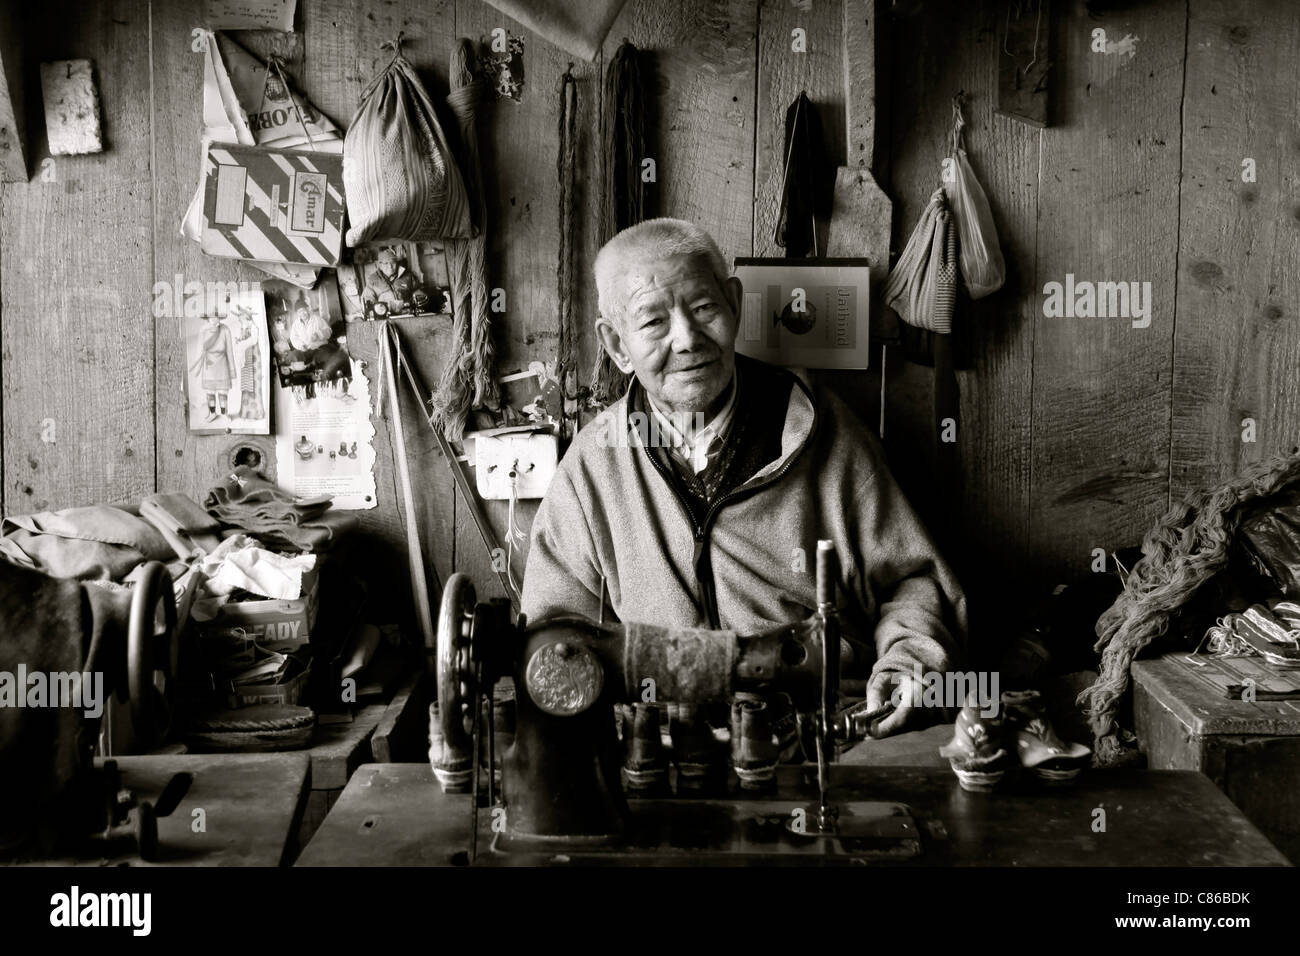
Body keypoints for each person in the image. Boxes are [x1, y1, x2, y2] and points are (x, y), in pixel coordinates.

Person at [522, 218, 967, 748]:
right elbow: (557, 637)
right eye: (653, 322)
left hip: (825, 737)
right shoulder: (593, 469)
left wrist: (909, 661)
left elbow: (912, 580)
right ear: (617, 345)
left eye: (704, 308)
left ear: (734, 303)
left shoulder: (824, 435)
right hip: (666, 748)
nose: (688, 340)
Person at [191, 314, 236, 423]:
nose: (214, 319)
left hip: (222, 365)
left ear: (220, 317)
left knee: (223, 392)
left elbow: (229, 351)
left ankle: (224, 413)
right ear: (207, 318)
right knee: (210, 392)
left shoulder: (225, 330)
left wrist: (232, 369)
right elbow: (199, 349)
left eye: (216, 316)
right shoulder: (203, 330)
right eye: (211, 317)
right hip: (209, 366)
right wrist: (197, 368)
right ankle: (212, 413)